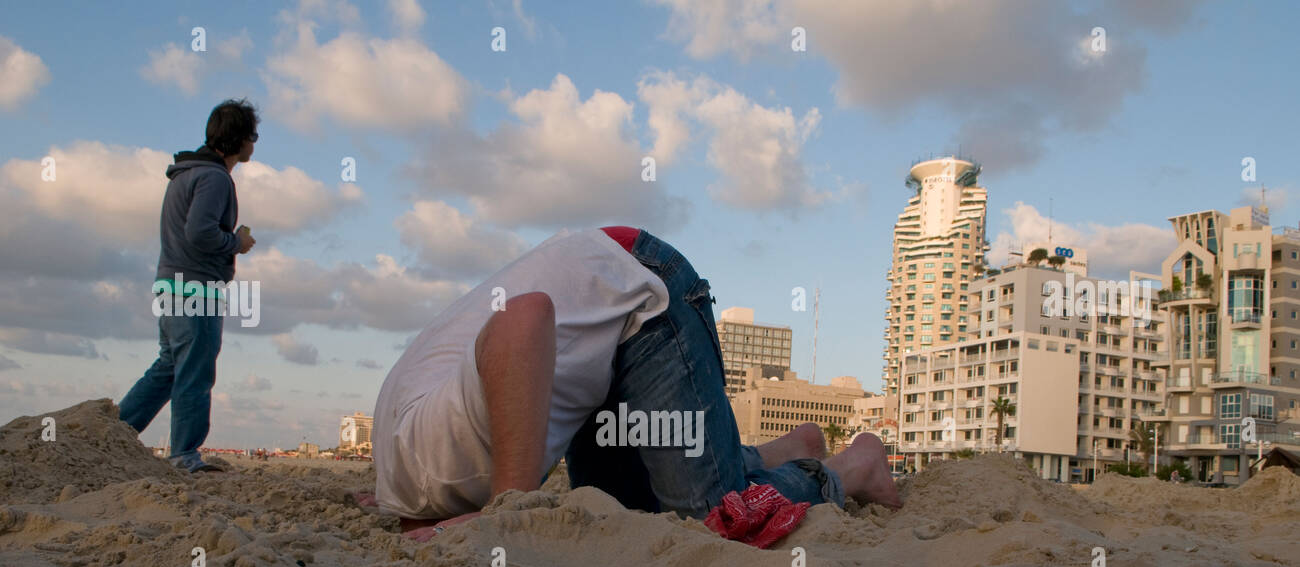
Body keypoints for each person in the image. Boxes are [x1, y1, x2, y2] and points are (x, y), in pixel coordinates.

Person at [373, 227, 901, 539]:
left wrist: (508, 513)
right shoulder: (410, 473)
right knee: (624, 516)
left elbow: (526, 316)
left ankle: (853, 466)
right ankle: (775, 452)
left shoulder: (436, 455)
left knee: (711, 519)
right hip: (592, 315)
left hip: (643, 294)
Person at [118, 99, 259, 472]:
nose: (255, 144)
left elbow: (190, 230)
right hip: (196, 290)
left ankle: (112, 435)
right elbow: (199, 232)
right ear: (241, 141)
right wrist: (236, 243)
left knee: (168, 369)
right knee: (195, 372)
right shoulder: (214, 178)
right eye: (254, 136)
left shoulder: (186, 174)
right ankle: (183, 456)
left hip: (170, 285)